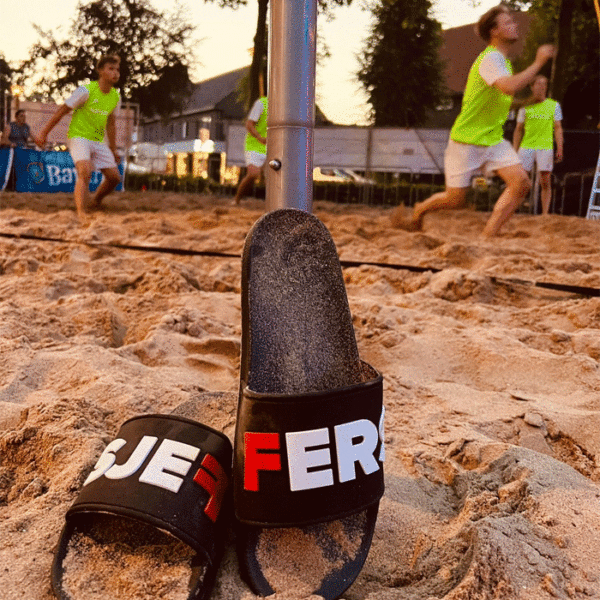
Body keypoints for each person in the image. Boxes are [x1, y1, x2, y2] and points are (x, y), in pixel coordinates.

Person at [392, 4, 555, 237]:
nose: (515, 24)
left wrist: (530, 100)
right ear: (494, 31)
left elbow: (501, 99)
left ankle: (488, 236)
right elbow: (508, 87)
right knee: (455, 199)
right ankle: (420, 209)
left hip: (492, 139)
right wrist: (538, 63)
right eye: (508, 22)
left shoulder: (503, 63)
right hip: (466, 140)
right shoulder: (490, 59)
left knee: (521, 183)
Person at [33, 54, 122, 221]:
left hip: (98, 140)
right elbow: (62, 111)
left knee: (114, 178)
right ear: (100, 71)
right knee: (85, 171)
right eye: (111, 69)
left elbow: (111, 124)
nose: (115, 73)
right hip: (78, 136)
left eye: (117, 69)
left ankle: (96, 201)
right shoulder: (86, 91)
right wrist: (43, 133)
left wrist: (113, 149)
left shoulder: (116, 97)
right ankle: (82, 212)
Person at [512, 75, 563, 215]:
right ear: (532, 87)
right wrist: (515, 150)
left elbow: (558, 128)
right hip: (527, 146)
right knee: (521, 180)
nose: (541, 87)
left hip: (545, 146)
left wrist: (560, 148)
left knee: (545, 181)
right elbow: (518, 129)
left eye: (544, 84)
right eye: (538, 84)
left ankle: (544, 214)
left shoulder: (554, 105)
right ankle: (515, 210)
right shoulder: (525, 107)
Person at [233, 94, 268, 205]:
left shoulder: (285, 107)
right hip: (255, 145)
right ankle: (237, 200)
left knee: (274, 178)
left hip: (273, 148)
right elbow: (249, 124)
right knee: (253, 174)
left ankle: (273, 204)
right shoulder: (261, 103)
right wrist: (259, 137)